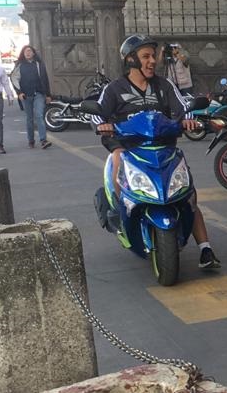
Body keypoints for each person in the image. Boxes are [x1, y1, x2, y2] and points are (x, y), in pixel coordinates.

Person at [93, 34, 220, 271]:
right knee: (117, 159)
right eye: (146, 57)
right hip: (129, 147)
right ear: (131, 60)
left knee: (187, 194)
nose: (152, 61)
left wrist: (189, 120)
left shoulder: (164, 86)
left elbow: (183, 108)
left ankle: (205, 248)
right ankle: (120, 214)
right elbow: (97, 112)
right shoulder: (115, 89)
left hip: (164, 148)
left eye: (153, 56)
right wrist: (102, 124)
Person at [13, 45, 53, 149]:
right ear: (23, 53)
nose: (28, 53)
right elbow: (14, 79)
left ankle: (43, 140)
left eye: (30, 51)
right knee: (29, 118)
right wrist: (19, 92)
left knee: (39, 115)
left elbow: (45, 79)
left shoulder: (39, 64)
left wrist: (48, 95)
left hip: (38, 94)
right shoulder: (20, 65)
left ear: (33, 53)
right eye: (26, 51)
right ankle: (31, 140)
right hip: (26, 95)